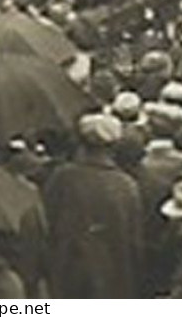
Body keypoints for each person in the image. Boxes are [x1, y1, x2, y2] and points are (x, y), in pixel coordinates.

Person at [42, 113, 144, 299]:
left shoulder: (62, 178)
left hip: (67, 272)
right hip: (113, 277)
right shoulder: (127, 186)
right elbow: (134, 241)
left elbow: (48, 223)